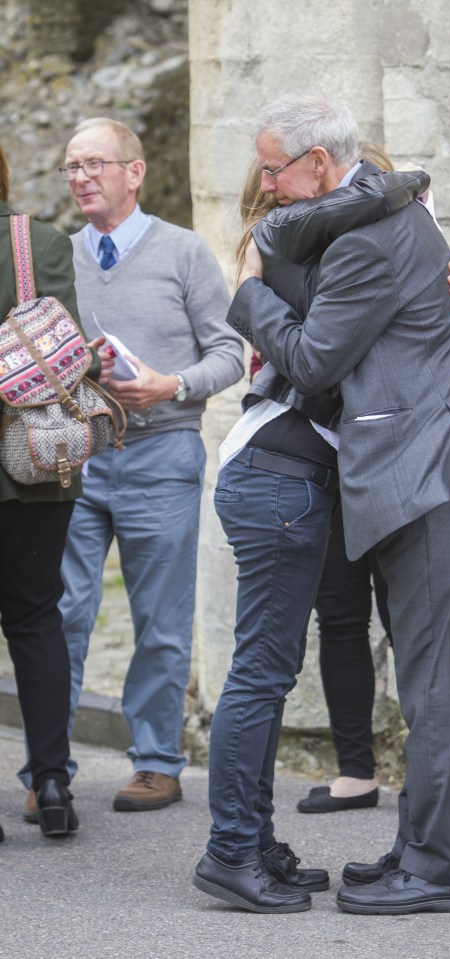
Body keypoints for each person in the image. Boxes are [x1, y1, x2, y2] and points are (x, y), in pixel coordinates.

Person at [224, 93, 450, 915]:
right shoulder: (379, 210)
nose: (267, 185)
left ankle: (438, 867)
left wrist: (250, 293)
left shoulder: (365, 236)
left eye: (273, 170)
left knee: (431, 676)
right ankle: (421, 844)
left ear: (320, 165)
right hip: (427, 462)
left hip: (431, 465)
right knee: (427, 668)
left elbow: (317, 362)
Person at [193, 161, 434, 914]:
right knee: (261, 672)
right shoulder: (292, 252)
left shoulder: (308, 254)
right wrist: (407, 182)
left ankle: (253, 841)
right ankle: (231, 850)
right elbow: (314, 355)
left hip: (288, 478)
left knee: (268, 670)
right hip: (278, 479)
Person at [20, 117, 244, 817]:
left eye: (95, 164)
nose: (81, 177)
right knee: (62, 612)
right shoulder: (58, 254)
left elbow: (231, 353)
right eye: (71, 167)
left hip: (162, 453)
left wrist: (168, 385)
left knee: (161, 617)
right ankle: (47, 770)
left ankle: (155, 762)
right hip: (75, 459)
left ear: (134, 172)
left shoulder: (183, 252)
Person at [0, 141, 99, 836]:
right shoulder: (40, 243)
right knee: (37, 617)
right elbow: (71, 351)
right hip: (34, 460)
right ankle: (54, 781)